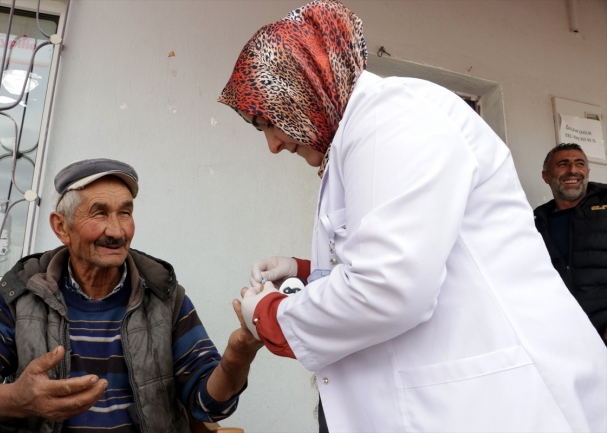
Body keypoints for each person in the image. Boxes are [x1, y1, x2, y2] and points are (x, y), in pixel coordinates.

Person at [217, 1, 606, 432]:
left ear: (302, 89)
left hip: (494, 401)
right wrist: (307, 272)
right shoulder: (359, 135)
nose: (272, 144)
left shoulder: (395, 117)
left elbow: (388, 288)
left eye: (268, 122)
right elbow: (404, 256)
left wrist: (268, 315)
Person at [0, 158, 262, 432]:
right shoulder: (23, 295)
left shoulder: (164, 296)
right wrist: (18, 400)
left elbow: (210, 406)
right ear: (62, 227)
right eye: (99, 213)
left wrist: (238, 356)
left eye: (125, 213)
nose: (117, 231)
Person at [534, 142, 607, 345]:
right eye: (563, 164)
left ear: (588, 172)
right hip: (567, 337)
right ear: (546, 176)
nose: (573, 170)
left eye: (579, 164)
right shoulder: (536, 221)